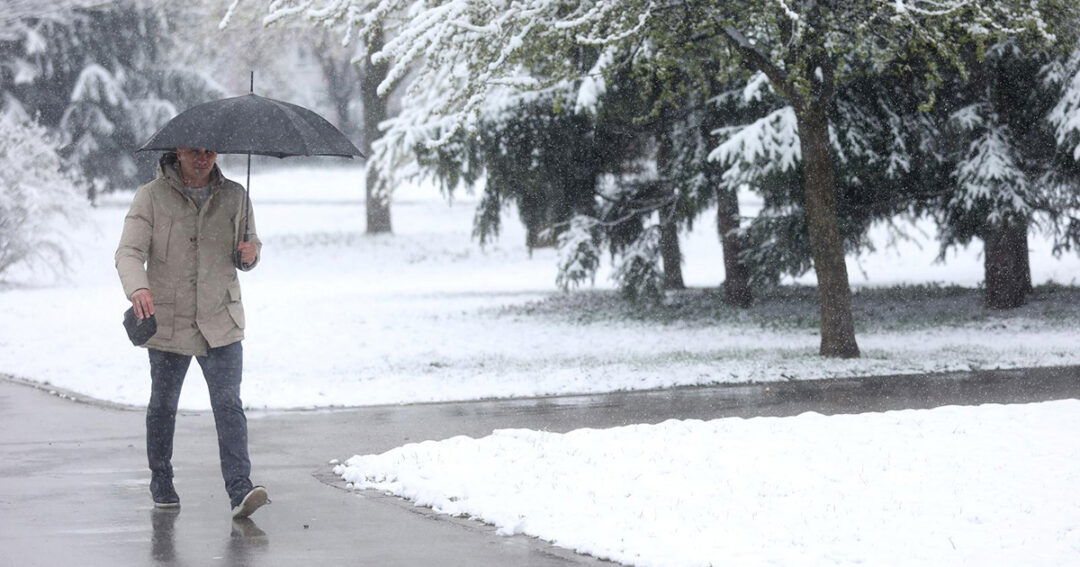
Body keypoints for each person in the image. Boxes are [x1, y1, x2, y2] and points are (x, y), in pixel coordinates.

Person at [115, 147, 269, 519]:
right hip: (169, 319)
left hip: (221, 319)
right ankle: (162, 480)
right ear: (178, 153)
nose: (203, 158)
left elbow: (249, 248)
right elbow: (129, 252)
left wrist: (250, 254)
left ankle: (239, 490)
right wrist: (138, 288)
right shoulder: (150, 197)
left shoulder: (235, 195)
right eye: (194, 151)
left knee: (229, 405)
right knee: (164, 405)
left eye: (210, 152)